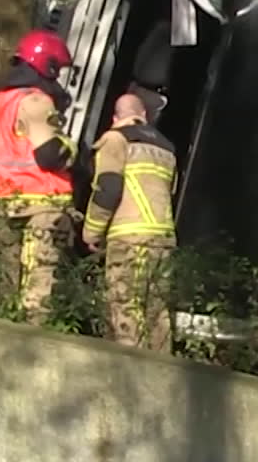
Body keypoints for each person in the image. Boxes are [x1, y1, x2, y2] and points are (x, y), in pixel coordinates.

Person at [0, 30, 79, 326]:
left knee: (6, 282)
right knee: (38, 289)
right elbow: (49, 155)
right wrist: (73, 148)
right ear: (48, 66)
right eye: (58, 70)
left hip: (5, 201)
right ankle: (34, 346)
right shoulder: (37, 101)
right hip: (41, 205)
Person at [83, 92, 178, 353]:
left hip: (129, 238)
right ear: (144, 115)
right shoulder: (166, 148)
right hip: (163, 238)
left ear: (115, 118)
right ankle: (163, 373)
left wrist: (92, 231)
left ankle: (131, 374)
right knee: (156, 311)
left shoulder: (115, 139)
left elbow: (108, 188)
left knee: (126, 307)